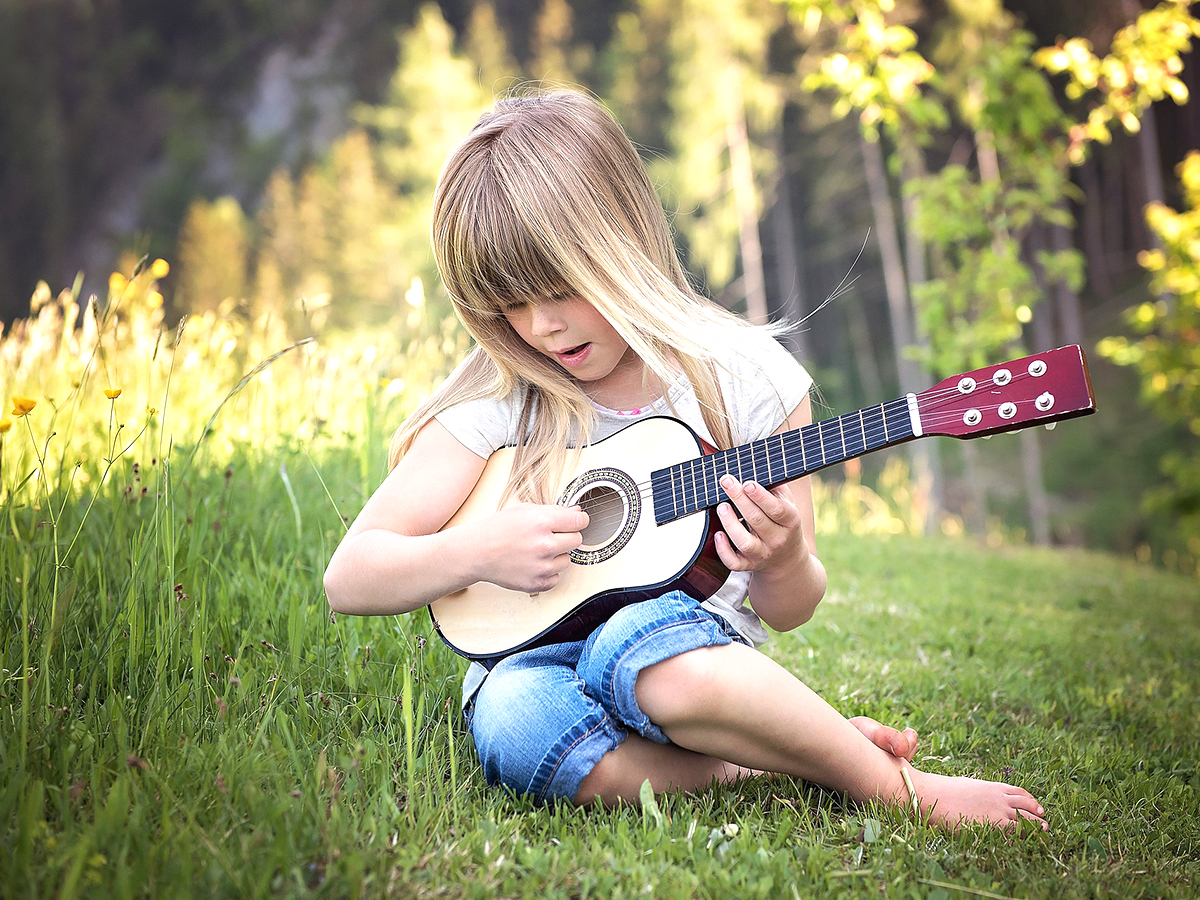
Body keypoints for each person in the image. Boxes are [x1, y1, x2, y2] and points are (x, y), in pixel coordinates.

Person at [323, 89, 1047, 830]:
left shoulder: (743, 377)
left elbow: (789, 609)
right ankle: (776, 755)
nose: (541, 326)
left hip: (687, 658)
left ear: (622, 242)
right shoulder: (501, 397)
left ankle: (895, 787)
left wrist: (783, 559)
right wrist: (474, 551)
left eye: (562, 288)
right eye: (510, 304)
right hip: (531, 661)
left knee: (636, 643)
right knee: (510, 722)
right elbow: (351, 577)